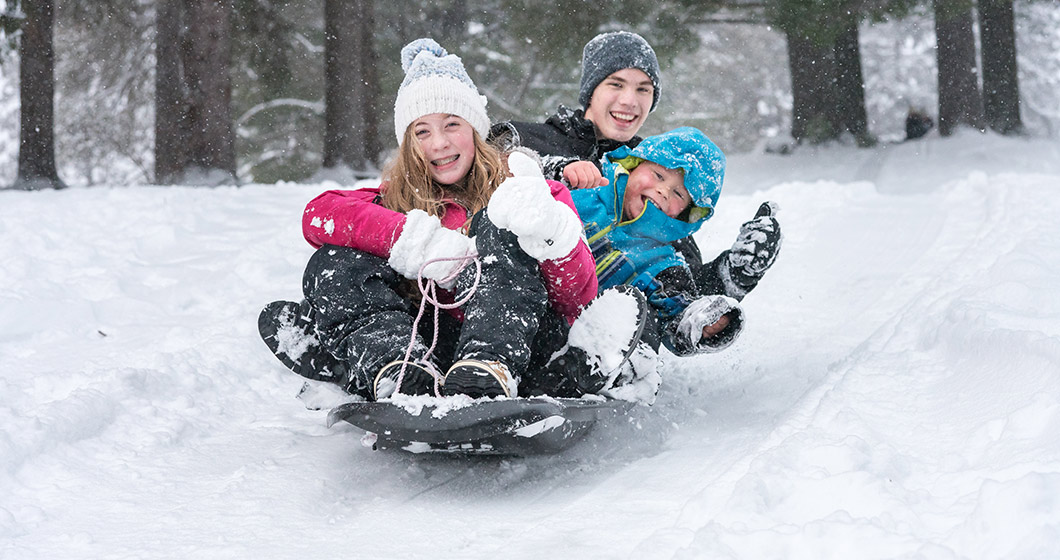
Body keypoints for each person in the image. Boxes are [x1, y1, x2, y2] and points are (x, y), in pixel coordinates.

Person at [258, 38, 598, 401]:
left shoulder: (530, 191)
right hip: (428, 348)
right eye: (422, 131)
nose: (438, 144)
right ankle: (395, 369)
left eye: (452, 124)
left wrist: (549, 231)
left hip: (519, 343)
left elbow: (578, 299)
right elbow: (319, 215)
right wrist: (417, 241)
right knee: (333, 262)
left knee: (498, 225)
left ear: (475, 130)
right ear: (408, 143)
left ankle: (489, 368)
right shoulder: (396, 197)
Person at [540, 127, 782, 399]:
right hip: (533, 308)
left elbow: (677, 313)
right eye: (658, 175)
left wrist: (709, 321)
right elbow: (521, 184)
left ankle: (601, 374)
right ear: (634, 164)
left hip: (578, 347)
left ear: (688, 215)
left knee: (637, 309)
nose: (663, 191)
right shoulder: (584, 191)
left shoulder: (663, 263)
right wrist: (561, 169)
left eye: (679, 194)